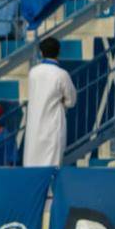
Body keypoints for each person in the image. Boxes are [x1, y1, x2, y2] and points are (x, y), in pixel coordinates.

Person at [22, 37, 76, 167]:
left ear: (41, 53)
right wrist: (61, 100)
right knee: (52, 165)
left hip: (34, 126)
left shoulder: (33, 72)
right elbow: (71, 101)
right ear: (58, 52)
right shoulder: (62, 74)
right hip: (53, 126)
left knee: (32, 164)